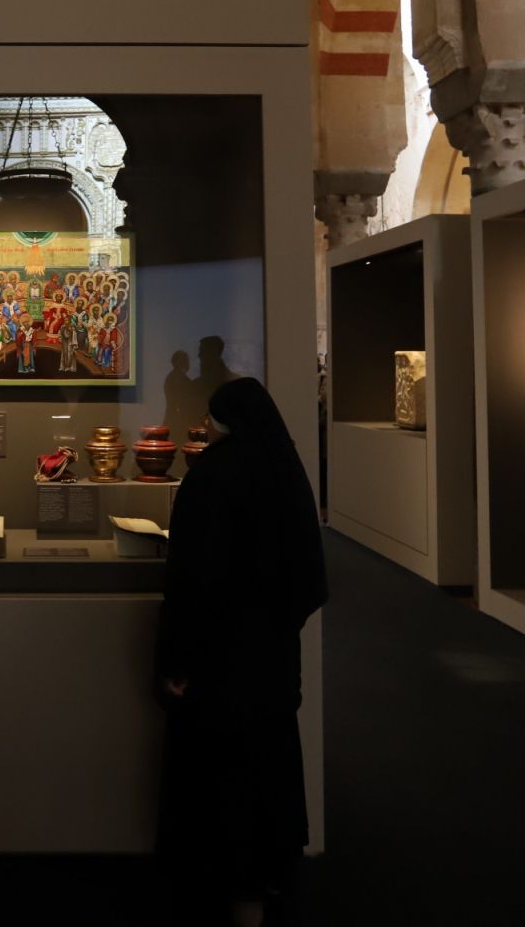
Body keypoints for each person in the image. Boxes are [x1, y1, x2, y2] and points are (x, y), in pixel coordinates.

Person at [156, 377, 328, 927]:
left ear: (222, 422)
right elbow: (311, 577)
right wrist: (277, 626)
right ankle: (271, 880)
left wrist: (179, 661)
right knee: (269, 772)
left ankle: (230, 891)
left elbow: (192, 579)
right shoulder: (285, 470)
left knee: (224, 782)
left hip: (219, 665)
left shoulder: (211, 476)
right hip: (270, 663)